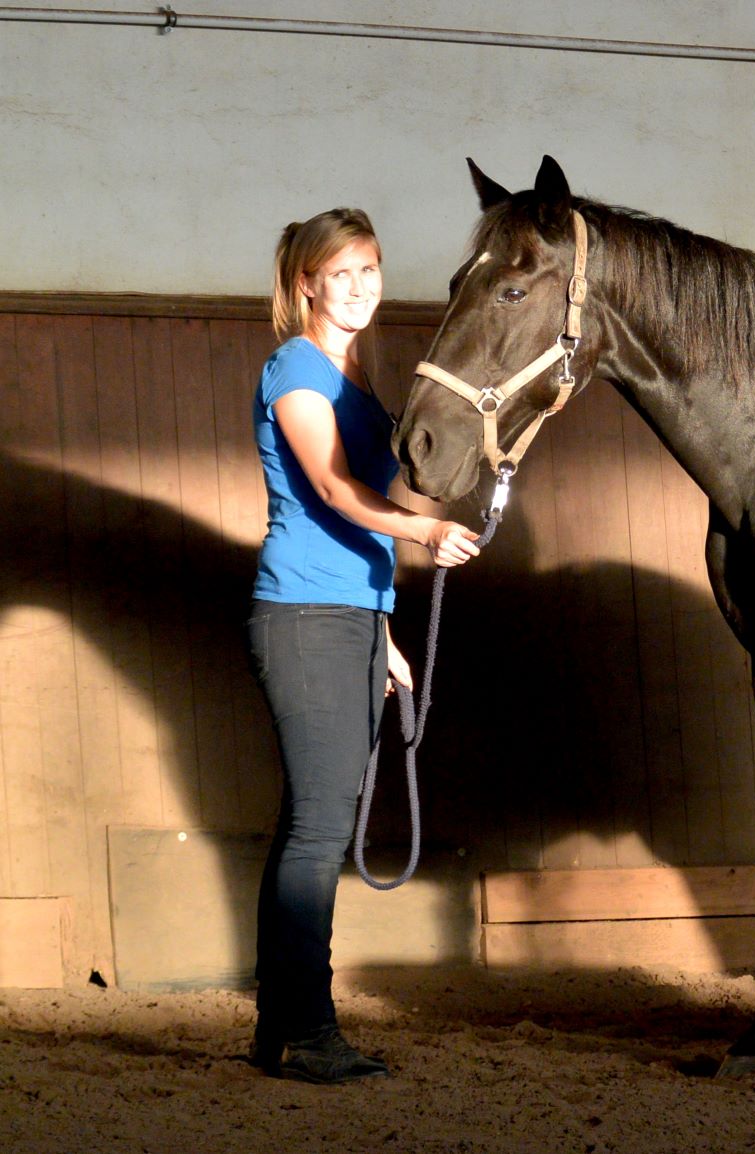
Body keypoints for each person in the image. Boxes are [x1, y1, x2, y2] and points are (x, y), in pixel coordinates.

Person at [248, 208, 481, 1083]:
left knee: (310, 827)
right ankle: (308, 1031)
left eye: (371, 270)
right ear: (306, 282)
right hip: (303, 615)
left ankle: (285, 1022)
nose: (359, 287)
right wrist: (422, 540)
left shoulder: (361, 386)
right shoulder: (295, 368)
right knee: (317, 831)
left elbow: (396, 501)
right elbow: (334, 490)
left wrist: (452, 518)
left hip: (346, 617)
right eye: (341, 273)